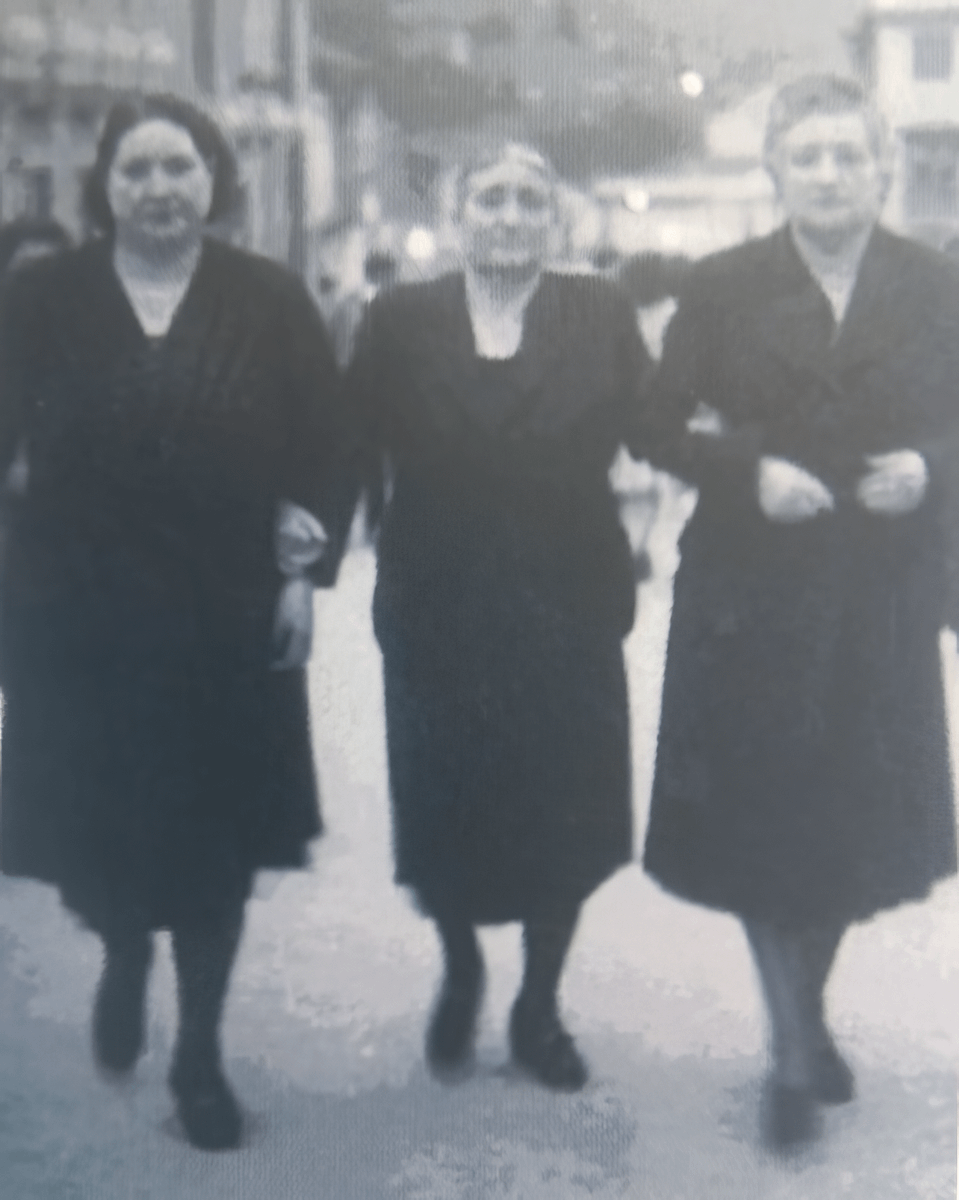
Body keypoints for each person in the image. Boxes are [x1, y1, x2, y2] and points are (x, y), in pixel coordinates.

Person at [0, 95, 349, 1150]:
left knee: (215, 848)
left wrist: (301, 575)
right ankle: (120, 951)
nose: (159, 189)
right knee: (99, 836)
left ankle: (199, 1053)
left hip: (225, 613)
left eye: (179, 168)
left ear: (214, 181)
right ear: (104, 186)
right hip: (78, 613)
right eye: (137, 169)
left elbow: (324, 449)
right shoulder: (41, 299)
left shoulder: (271, 297)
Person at [642, 75, 959, 1150]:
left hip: (877, 601)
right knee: (763, 822)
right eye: (807, 156)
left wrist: (929, 464)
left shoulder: (934, 282)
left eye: (847, 155)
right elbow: (652, 420)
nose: (827, 174)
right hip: (748, 596)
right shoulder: (722, 284)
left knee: (850, 828)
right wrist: (748, 470)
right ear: (773, 170)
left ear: (883, 169)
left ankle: (804, 1013)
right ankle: (787, 1051)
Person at [347, 143, 652, 1090]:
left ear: (555, 217)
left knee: (564, 806)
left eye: (529, 198)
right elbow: (345, 438)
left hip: (565, 599)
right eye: (490, 199)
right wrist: (289, 544)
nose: (510, 215)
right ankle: (462, 968)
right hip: (436, 601)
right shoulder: (398, 318)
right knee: (445, 798)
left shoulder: (598, 310)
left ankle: (538, 1005)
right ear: (456, 212)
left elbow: (655, 424)